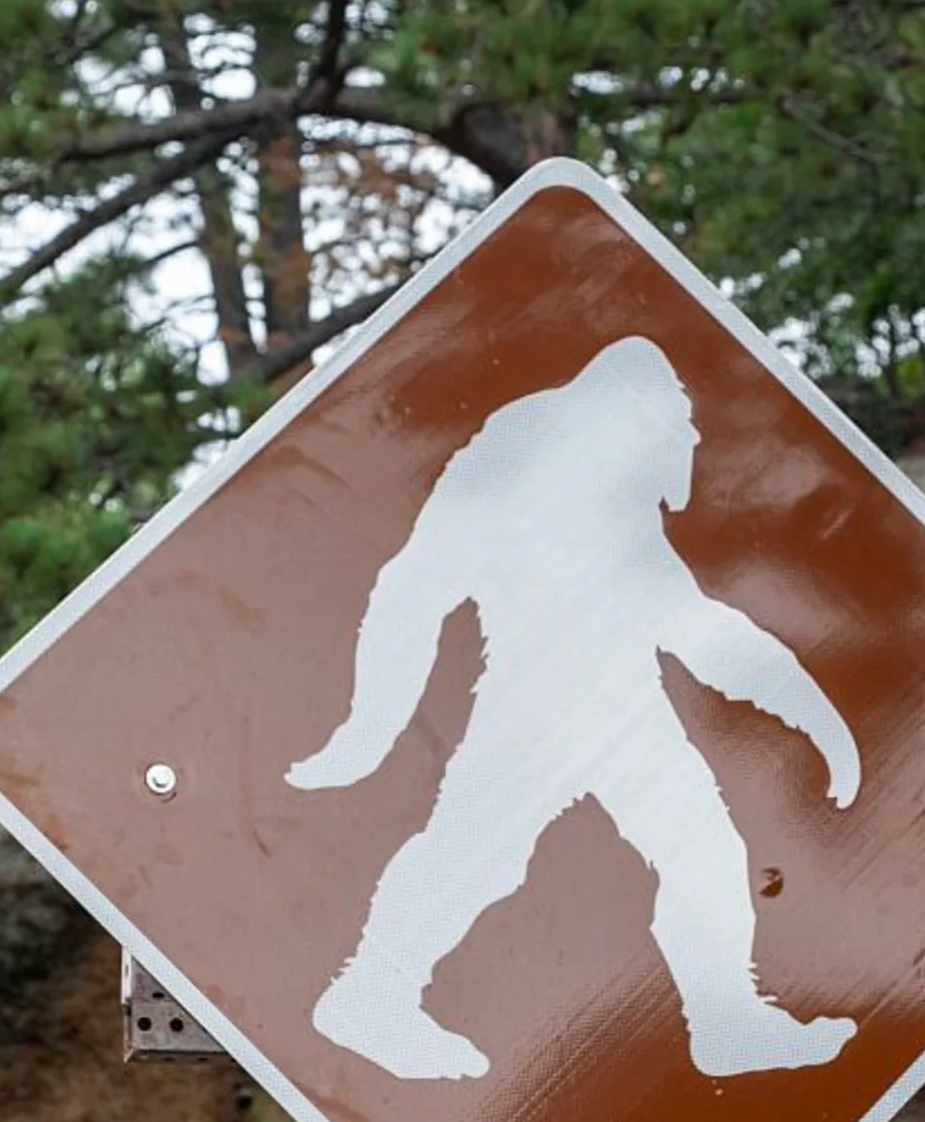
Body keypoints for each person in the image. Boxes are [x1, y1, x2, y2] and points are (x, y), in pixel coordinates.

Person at [287, 335, 861, 1082]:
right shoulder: (528, 459)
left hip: (615, 700)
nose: (681, 451)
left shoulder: (607, 480)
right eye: (673, 430)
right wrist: (366, 732)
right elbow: (415, 586)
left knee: (700, 851)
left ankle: (728, 1022)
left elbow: (686, 620)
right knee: (471, 855)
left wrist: (812, 711)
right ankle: (371, 994)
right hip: (535, 703)